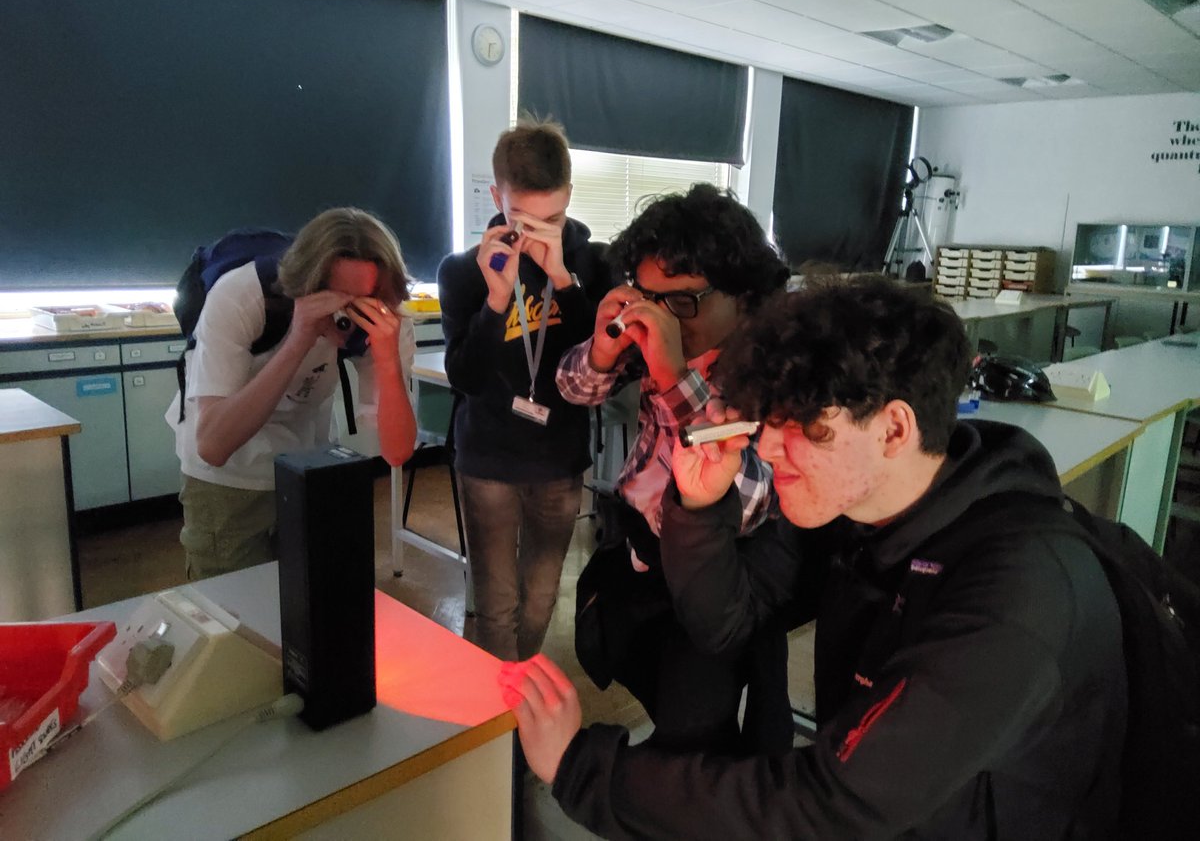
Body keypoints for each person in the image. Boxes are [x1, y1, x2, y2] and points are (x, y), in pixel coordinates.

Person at [504, 274, 1128, 839]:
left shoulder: (1016, 593)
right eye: (768, 418)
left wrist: (582, 770)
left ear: (893, 429)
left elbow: (826, 805)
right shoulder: (854, 514)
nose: (767, 447)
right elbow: (725, 624)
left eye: (803, 425)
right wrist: (699, 507)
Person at [556, 183, 792, 753]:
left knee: (697, 726)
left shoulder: (773, 368)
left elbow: (754, 496)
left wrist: (670, 376)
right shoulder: (658, 339)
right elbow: (572, 388)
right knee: (644, 672)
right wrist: (602, 350)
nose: (661, 318)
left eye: (682, 301)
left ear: (744, 294)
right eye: (647, 296)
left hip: (718, 570)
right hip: (642, 553)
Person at [437, 117, 613, 661]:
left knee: (539, 601)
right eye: (522, 219)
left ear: (570, 199)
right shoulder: (462, 271)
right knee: (495, 604)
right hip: (488, 458)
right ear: (496, 198)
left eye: (553, 219)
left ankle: (510, 693)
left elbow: (599, 365)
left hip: (558, 460)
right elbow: (464, 377)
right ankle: (498, 725)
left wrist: (563, 280)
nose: (536, 236)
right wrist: (496, 299)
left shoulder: (592, 263)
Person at [169, 207, 418, 579]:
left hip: (305, 469)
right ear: (305, 284)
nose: (347, 316)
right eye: (336, 297)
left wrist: (386, 362)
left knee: (307, 607)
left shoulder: (388, 317)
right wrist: (299, 338)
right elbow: (213, 445)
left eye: (363, 300)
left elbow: (396, 451)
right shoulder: (243, 294)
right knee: (235, 620)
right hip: (228, 482)